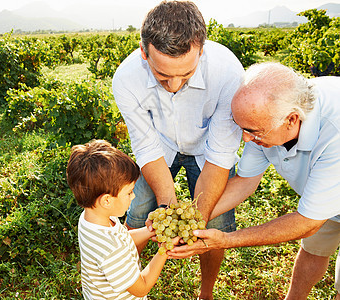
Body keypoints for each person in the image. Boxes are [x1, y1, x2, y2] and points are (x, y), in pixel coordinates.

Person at [169, 62, 340, 299]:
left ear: (291, 120)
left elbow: (307, 222)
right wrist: (189, 219)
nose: (246, 139)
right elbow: (245, 181)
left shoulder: (334, 134)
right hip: (324, 196)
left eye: (254, 131)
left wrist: (226, 240)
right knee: (313, 250)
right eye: (243, 128)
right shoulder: (267, 116)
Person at [112, 1, 244, 298]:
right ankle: (125, 283)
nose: (174, 85)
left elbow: (221, 154)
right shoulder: (126, 79)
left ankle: (205, 293)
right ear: (144, 53)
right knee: (140, 211)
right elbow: (145, 144)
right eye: (162, 75)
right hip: (160, 148)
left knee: (214, 223)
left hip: (208, 151)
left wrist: (195, 223)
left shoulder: (228, 74)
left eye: (186, 74)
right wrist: (167, 205)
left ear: (202, 49)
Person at [66, 139, 179, 299]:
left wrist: (149, 231)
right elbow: (142, 287)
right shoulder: (110, 249)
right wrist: (165, 251)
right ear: (107, 200)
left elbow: (123, 239)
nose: (133, 196)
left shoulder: (92, 217)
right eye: (129, 192)